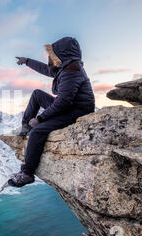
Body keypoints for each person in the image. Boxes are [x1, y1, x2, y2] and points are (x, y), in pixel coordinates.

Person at [9, 37, 95, 187]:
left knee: (38, 132)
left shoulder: (72, 71)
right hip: (70, 106)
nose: (51, 58)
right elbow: (47, 70)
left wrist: (40, 119)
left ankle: (27, 173)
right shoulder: (67, 67)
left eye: (53, 54)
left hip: (76, 111)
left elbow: (63, 102)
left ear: (62, 54)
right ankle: (25, 127)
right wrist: (27, 61)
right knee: (37, 94)